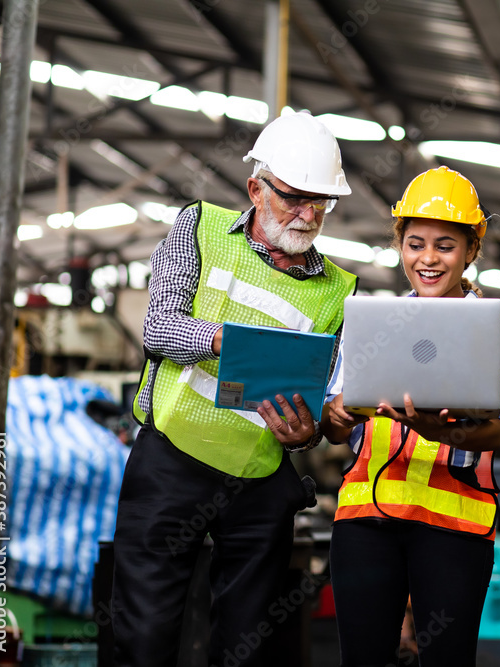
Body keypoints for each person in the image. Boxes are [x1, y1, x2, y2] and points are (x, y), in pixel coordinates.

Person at [112, 111, 359, 667]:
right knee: (144, 635)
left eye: (321, 202)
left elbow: (321, 400)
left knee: (246, 645)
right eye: (294, 197)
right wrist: (231, 340)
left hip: (257, 480)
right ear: (256, 187)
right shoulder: (199, 229)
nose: (308, 214)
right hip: (170, 463)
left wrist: (305, 435)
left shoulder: (340, 289)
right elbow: (158, 328)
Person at [319, 166, 500, 667]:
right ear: (399, 246)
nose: (427, 259)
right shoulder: (371, 324)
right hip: (364, 520)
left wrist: (448, 430)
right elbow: (331, 424)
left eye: (445, 245)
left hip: (452, 527)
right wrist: (338, 416)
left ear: (472, 250)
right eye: (414, 244)